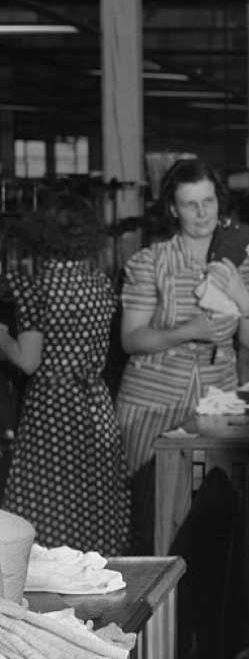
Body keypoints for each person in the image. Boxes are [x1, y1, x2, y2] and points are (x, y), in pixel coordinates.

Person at [115, 158, 249, 552]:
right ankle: (157, 612)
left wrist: (243, 300)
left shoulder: (243, 263)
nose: (202, 214)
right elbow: (131, 339)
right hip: (153, 404)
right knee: (154, 522)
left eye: (208, 202)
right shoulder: (149, 262)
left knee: (215, 519)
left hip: (216, 404)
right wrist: (189, 331)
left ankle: (204, 610)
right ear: (172, 209)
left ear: (220, 202)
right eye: (189, 204)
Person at [0, 193, 130, 554]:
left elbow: (28, 361)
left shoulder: (35, 286)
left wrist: (4, 339)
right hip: (95, 402)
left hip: (52, 406)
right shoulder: (101, 284)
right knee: (94, 498)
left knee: (46, 500)